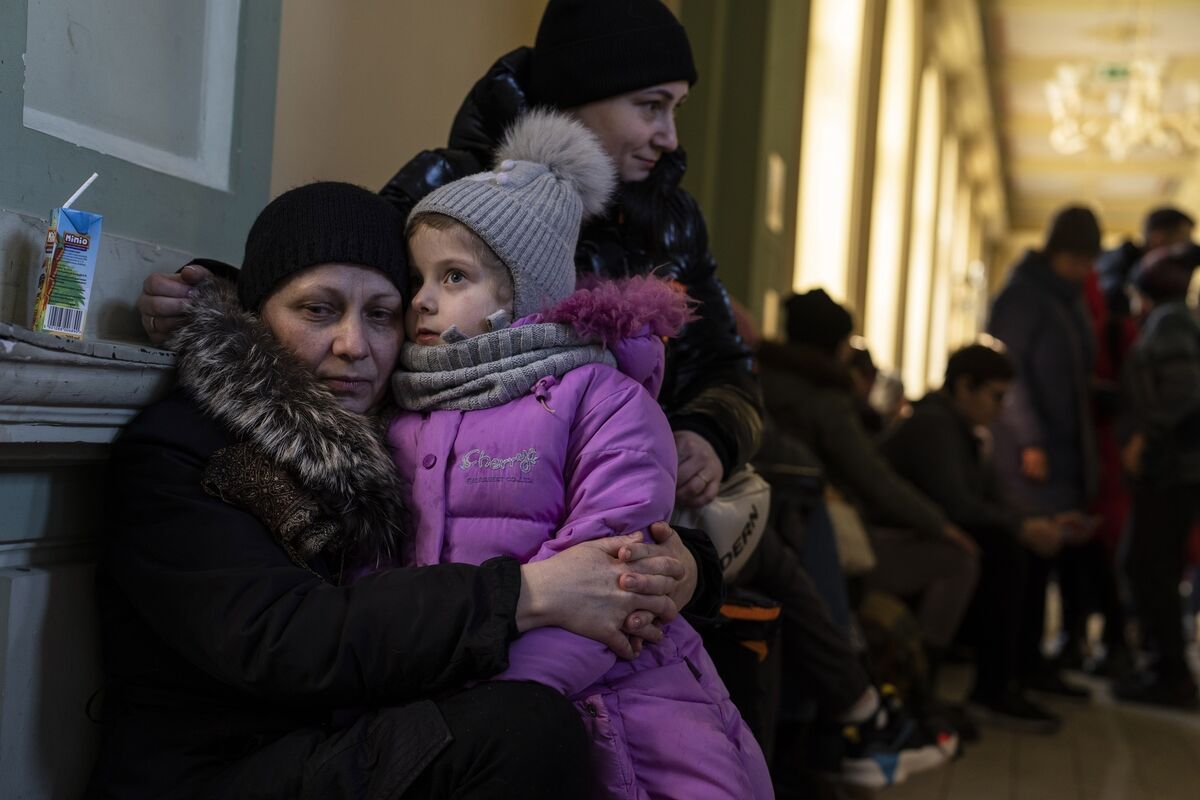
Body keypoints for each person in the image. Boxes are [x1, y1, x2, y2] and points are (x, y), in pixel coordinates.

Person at [90, 182, 713, 799]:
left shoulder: (393, 426)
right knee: (522, 728)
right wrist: (526, 593)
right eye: (317, 310)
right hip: (216, 771)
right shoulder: (179, 448)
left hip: (338, 737)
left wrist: (678, 567)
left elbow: (504, 514)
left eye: (381, 314)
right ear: (256, 313)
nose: (353, 345)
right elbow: (286, 639)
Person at [135, 0, 763, 515]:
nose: (669, 136)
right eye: (650, 106)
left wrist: (709, 435)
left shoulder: (673, 220)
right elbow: (345, 282)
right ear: (581, 90)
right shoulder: (450, 187)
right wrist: (220, 293)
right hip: (470, 478)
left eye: (676, 109)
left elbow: (725, 366)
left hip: (633, 487)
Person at [387, 109, 771, 799]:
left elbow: (612, 576)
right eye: (418, 278)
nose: (421, 300)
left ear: (519, 292)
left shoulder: (603, 401)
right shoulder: (411, 413)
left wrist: (488, 697)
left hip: (624, 705)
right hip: (470, 715)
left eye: (452, 277)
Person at [757, 289, 980, 673]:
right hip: (823, 536)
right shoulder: (825, 399)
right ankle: (918, 678)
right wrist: (938, 524)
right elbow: (873, 477)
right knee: (959, 559)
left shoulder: (758, 380)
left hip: (775, 529)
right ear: (837, 344)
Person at [880, 341, 1072, 732]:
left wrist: (1041, 521)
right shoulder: (933, 424)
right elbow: (956, 504)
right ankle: (993, 686)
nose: (1001, 409)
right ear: (965, 386)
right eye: (996, 396)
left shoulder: (963, 430)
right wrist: (1022, 527)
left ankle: (1011, 676)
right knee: (1005, 547)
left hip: (926, 531)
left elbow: (988, 501)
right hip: (899, 537)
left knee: (1019, 544)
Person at [987, 205, 1117, 700]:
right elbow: (1008, 373)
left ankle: (1034, 660)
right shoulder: (1024, 297)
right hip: (1030, 450)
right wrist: (1031, 438)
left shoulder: (1066, 300)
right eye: (1078, 260)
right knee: (1030, 556)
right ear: (1060, 252)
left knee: (1051, 553)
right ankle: (1017, 664)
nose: (1084, 271)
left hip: (1062, 448)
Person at [1115, 244, 1200, 709]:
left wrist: (1144, 436)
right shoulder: (1176, 319)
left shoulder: (1171, 320)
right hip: (1174, 470)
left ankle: (1168, 673)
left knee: (1149, 567)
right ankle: (1164, 668)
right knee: (1151, 566)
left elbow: (1184, 389)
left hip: (1171, 471)